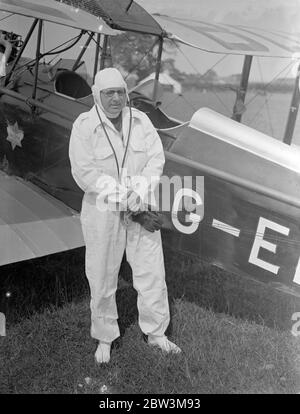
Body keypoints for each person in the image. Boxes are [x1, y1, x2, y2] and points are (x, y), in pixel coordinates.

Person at [69, 67, 181, 364]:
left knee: (151, 271)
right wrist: (126, 200)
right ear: (97, 95)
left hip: (141, 204)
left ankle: (157, 334)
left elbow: (156, 159)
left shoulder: (141, 121)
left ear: (126, 93)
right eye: (109, 93)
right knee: (102, 273)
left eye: (120, 92)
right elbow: (84, 173)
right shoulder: (83, 126)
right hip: (103, 210)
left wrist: (139, 194)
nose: (116, 99)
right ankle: (105, 338)